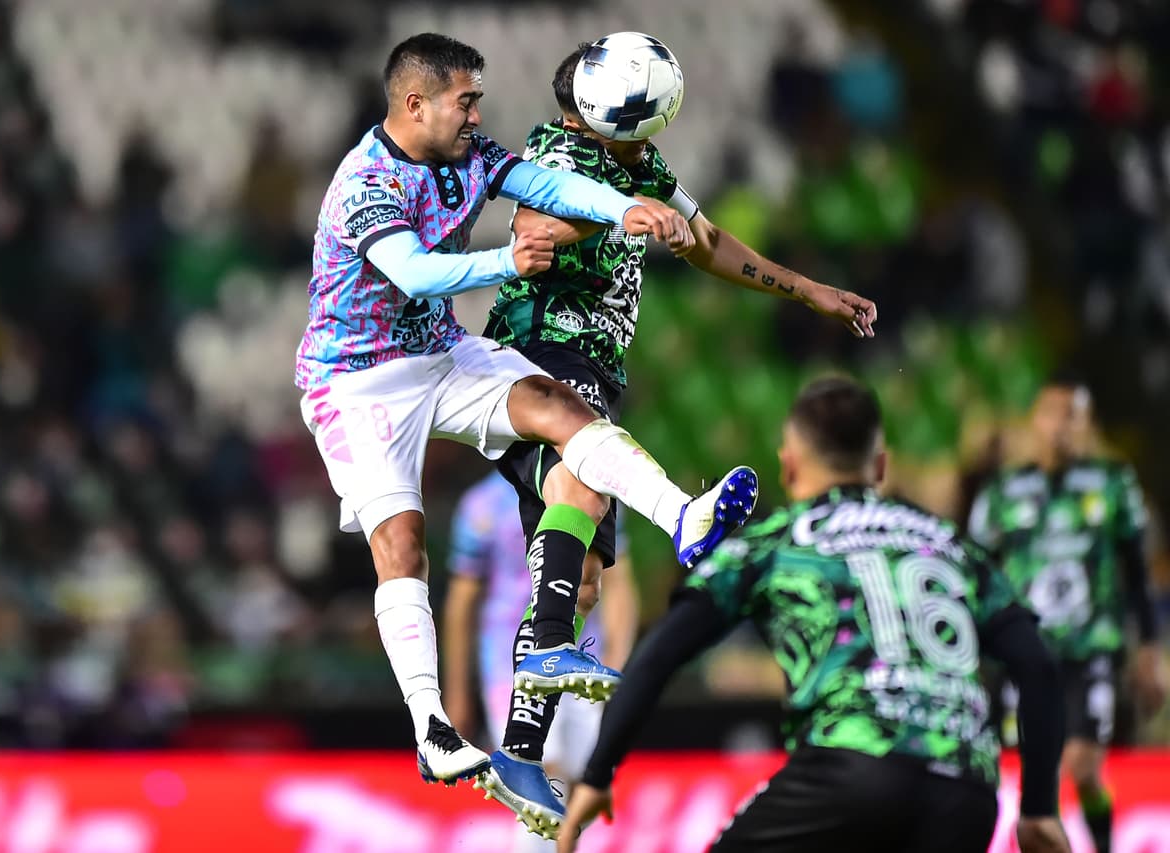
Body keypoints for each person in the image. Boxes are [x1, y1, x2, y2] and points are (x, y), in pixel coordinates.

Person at [296, 32, 760, 788]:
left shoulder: (469, 155)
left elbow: (545, 188)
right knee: (403, 543)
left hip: (439, 354)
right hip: (356, 381)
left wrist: (622, 209)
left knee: (560, 405)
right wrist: (504, 263)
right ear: (416, 103)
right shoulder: (366, 183)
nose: (478, 112)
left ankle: (684, 516)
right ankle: (432, 728)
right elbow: (411, 272)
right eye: (465, 99)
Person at [477, 37, 879, 834]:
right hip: (540, 351)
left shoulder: (639, 164)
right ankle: (672, 529)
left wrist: (806, 291)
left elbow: (707, 243)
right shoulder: (559, 150)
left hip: (588, 365)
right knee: (579, 482)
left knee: (580, 573)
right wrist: (616, 217)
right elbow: (538, 233)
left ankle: (520, 752)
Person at [557, 376, 1072, 853]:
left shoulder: (777, 543)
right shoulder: (950, 547)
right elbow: (1039, 665)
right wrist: (1040, 809)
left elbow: (661, 654)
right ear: (881, 468)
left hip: (848, 767)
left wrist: (599, 772)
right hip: (966, 788)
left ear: (790, 467)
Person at [968, 372, 1167, 853]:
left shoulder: (1113, 485)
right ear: (1036, 421)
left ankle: (1079, 839)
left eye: (1074, 416)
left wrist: (1148, 649)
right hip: (1027, 654)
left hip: (1090, 649)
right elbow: (974, 572)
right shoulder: (1002, 493)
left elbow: (1137, 572)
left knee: (1079, 765)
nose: (1063, 425)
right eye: (1055, 413)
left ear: (1088, 425)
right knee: (1052, 775)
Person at [443, 470, 637, 849]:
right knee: (539, 771)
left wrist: (617, 662)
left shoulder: (592, 484)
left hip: (583, 658)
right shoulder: (482, 507)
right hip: (508, 665)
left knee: (588, 777)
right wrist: (456, 693)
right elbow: (461, 604)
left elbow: (618, 583)